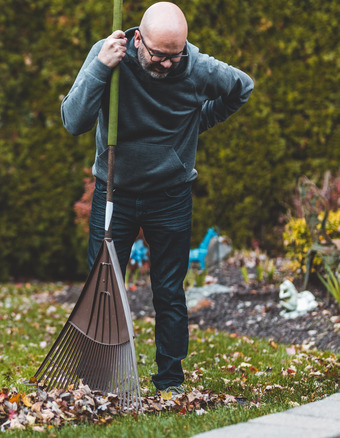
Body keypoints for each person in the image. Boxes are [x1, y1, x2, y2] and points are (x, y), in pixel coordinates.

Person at [61, 2, 254, 396]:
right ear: (137, 40)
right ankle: (98, 378)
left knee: (169, 290)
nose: (167, 64)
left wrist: (198, 121)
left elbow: (242, 87)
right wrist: (101, 67)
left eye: (175, 55)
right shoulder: (109, 52)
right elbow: (73, 120)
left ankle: (170, 379)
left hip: (171, 195)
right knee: (102, 285)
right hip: (115, 191)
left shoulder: (198, 67)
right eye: (158, 55)